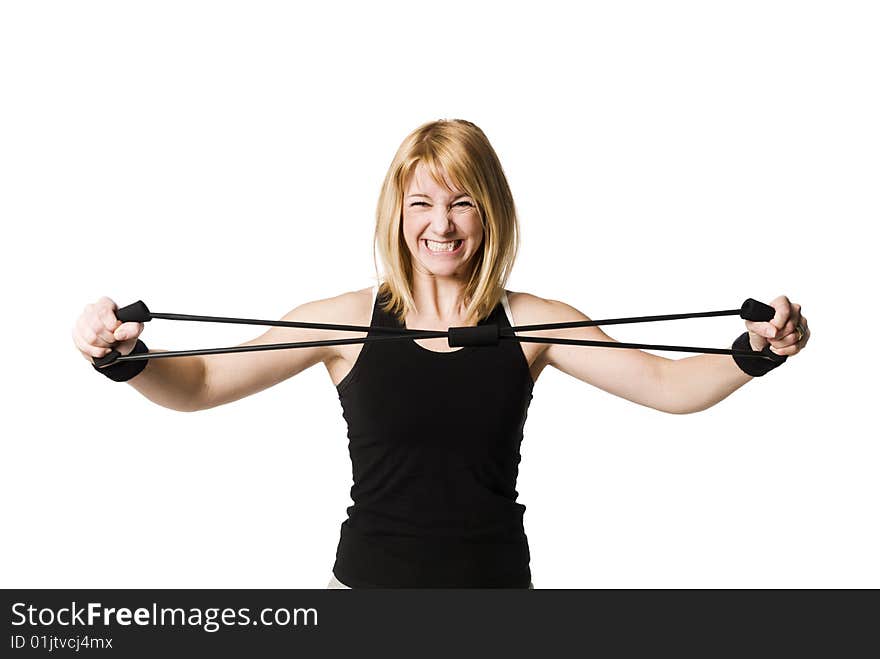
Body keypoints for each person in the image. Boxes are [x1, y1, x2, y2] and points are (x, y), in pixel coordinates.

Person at [72, 118, 810, 588]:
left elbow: (667, 383)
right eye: (423, 202)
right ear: (398, 213)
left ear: (489, 211)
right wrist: (122, 358)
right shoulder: (344, 320)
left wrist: (756, 352)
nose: (441, 224)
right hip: (366, 589)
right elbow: (200, 382)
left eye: (461, 201)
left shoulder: (534, 322)